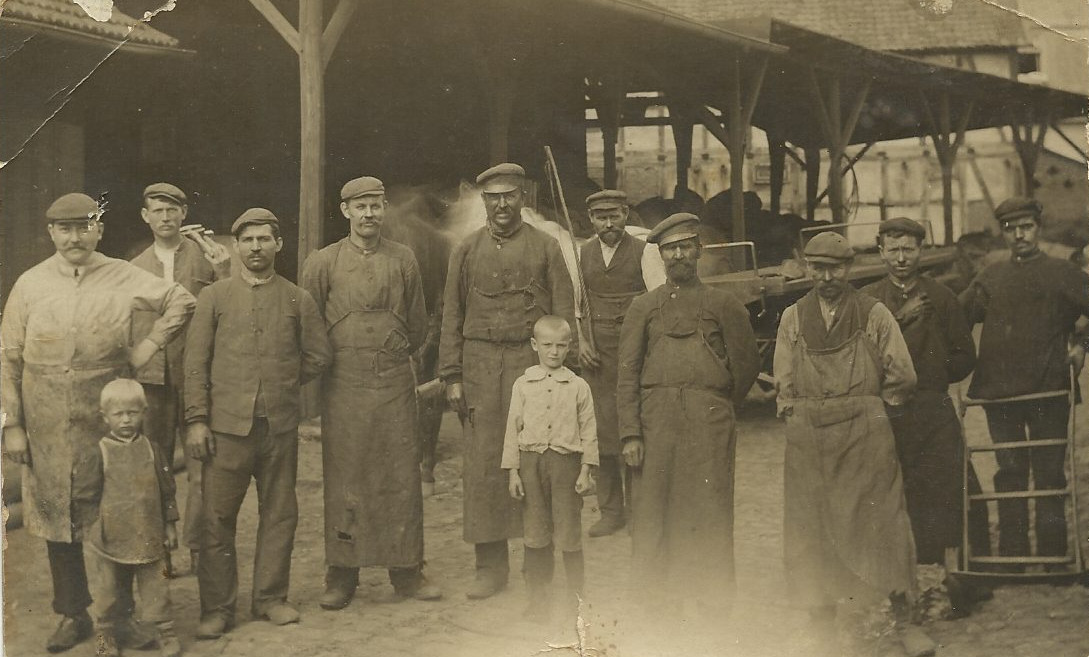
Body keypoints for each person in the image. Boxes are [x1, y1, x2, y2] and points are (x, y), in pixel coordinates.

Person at [0, 193, 195, 653]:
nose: (75, 238)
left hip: (107, 417)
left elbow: (181, 300)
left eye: (84, 227)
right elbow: (8, 356)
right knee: (58, 516)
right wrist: (12, 425)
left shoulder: (123, 274)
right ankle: (73, 614)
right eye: (65, 229)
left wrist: (147, 348)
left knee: (117, 513)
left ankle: (119, 618)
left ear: (99, 230)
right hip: (46, 419)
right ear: (51, 232)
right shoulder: (30, 283)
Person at [184, 209, 331, 638]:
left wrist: (282, 382)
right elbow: (195, 363)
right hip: (225, 429)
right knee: (216, 519)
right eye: (247, 240)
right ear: (234, 247)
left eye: (264, 239)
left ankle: (270, 598)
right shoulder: (214, 297)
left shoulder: (297, 299)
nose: (255, 247)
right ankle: (217, 608)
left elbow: (319, 355)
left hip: (279, 428)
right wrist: (197, 420)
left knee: (280, 514)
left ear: (278, 245)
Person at [301, 176, 441, 610]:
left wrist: (389, 351)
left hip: (394, 381)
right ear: (345, 211)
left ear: (384, 210)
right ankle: (342, 575)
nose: (369, 214)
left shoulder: (403, 258)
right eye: (360, 207)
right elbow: (309, 325)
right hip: (343, 385)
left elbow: (417, 324)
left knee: (400, 476)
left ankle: (407, 571)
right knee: (346, 477)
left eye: (376, 206)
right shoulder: (323, 262)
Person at [439, 162, 578, 600]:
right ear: (484, 201)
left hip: (531, 367)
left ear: (523, 198)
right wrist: (452, 375)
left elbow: (563, 314)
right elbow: (451, 315)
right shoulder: (465, 250)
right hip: (480, 370)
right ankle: (489, 567)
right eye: (493, 197)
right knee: (484, 469)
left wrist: (560, 372)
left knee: (537, 462)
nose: (502, 205)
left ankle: (537, 565)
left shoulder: (546, 247)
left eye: (509, 196)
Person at [773, 231, 918, 650]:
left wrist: (873, 408)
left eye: (834, 269)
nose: (826, 277)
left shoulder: (874, 314)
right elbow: (784, 382)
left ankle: (905, 619)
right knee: (811, 527)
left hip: (865, 433)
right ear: (807, 268)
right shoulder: (793, 317)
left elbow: (903, 375)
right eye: (817, 268)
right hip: (810, 437)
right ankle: (821, 622)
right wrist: (799, 414)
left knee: (884, 521)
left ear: (848, 268)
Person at [616, 213, 760, 615]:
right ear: (661, 256)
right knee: (653, 510)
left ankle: (711, 600)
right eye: (670, 249)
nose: (678, 255)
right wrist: (630, 433)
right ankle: (657, 601)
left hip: (708, 422)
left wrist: (715, 403)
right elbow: (627, 373)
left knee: (708, 508)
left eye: (684, 247)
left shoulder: (724, 305)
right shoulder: (643, 307)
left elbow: (746, 365)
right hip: (655, 423)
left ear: (699, 250)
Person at [861, 217, 991, 614]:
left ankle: (962, 576)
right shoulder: (867, 300)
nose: (901, 258)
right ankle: (892, 579)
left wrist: (932, 377)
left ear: (921, 251)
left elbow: (964, 355)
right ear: (881, 251)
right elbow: (859, 356)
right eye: (893, 249)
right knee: (888, 491)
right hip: (885, 410)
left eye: (909, 249)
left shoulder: (942, 297)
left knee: (951, 487)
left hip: (932, 409)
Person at [960, 197, 1089, 567]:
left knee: (1049, 473)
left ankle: (1053, 556)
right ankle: (1012, 557)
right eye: (1011, 228)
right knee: (1010, 472)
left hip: (1050, 388)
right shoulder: (990, 276)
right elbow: (956, 318)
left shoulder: (1063, 272)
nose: (1019, 235)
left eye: (1026, 227)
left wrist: (1081, 345)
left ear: (1038, 228)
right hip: (1000, 394)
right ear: (1003, 232)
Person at [131, 182, 232, 576]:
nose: (165, 217)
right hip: (153, 379)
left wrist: (223, 271)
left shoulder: (208, 258)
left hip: (196, 376)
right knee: (155, 464)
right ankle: (162, 547)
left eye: (172, 210)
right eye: (157, 210)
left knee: (203, 463)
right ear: (145, 217)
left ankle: (198, 546)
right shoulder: (134, 267)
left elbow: (226, 307)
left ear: (184, 214)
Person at [578, 189, 665, 538]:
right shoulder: (582, 253)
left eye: (614, 216)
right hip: (597, 354)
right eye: (601, 217)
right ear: (591, 219)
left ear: (626, 214)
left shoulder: (646, 252)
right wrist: (582, 341)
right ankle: (611, 512)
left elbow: (658, 301)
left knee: (635, 426)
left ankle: (640, 511)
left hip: (634, 350)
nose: (608, 224)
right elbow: (577, 306)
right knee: (601, 431)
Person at [502, 316, 598, 621]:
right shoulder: (523, 384)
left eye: (560, 346)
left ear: (569, 346)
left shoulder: (578, 386)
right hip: (531, 465)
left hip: (565, 466)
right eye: (547, 345)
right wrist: (513, 472)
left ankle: (575, 600)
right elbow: (512, 430)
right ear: (535, 345)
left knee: (568, 531)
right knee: (535, 532)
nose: (554, 352)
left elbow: (589, 430)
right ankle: (538, 600)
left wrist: (586, 469)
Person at [84, 379, 182, 657]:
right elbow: (87, 496)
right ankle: (105, 637)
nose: (126, 420)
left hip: (148, 532)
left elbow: (167, 491)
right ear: (105, 417)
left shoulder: (152, 448)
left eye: (132, 413)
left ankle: (165, 633)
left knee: (157, 587)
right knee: (107, 592)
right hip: (110, 536)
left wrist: (170, 525)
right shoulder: (100, 451)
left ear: (144, 412)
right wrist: (93, 528)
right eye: (118, 414)